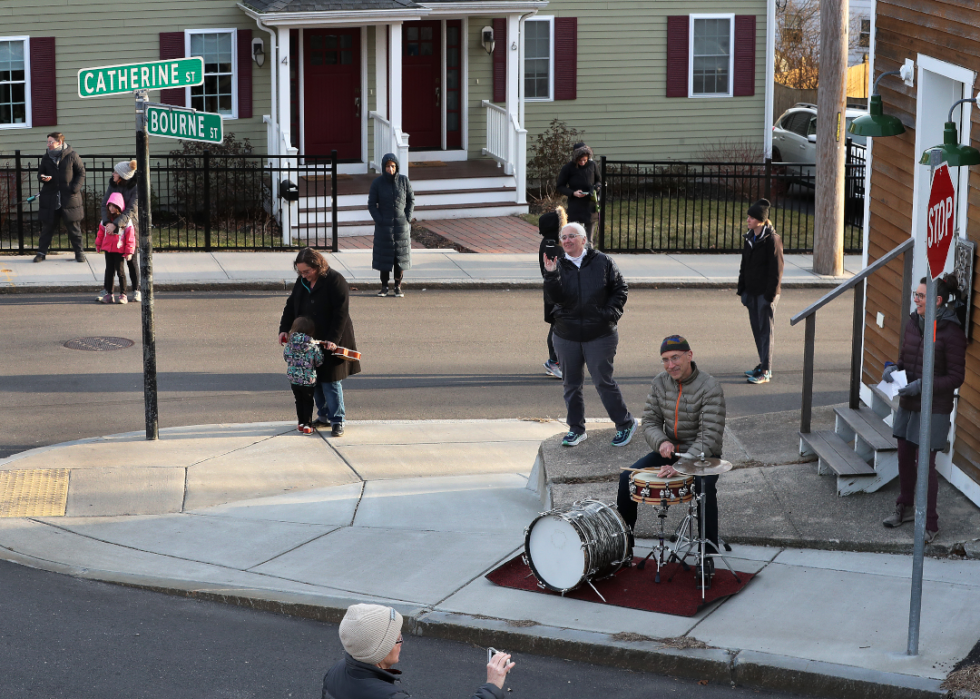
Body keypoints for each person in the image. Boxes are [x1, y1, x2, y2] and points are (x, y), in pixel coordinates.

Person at [616, 335, 726, 588]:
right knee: (626, 479)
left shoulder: (710, 386)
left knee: (704, 490)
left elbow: (709, 435)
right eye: (665, 360)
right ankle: (624, 546)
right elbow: (650, 422)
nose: (670, 365)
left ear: (689, 355)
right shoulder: (659, 382)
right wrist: (661, 443)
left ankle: (706, 556)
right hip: (669, 451)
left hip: (702, 456)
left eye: (675, 357)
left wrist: (679, 465)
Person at [881, 275, 966, 543]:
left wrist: (923, 386)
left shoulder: (951, 332)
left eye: (920, 296)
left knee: (925, 465)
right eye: (916, 295)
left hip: (934, 407)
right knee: (905, 458)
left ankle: (930, 523)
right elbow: (906, 358)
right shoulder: (913, 322)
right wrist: (893, 369)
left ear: (937, 301)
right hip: (909, 402)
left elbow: (955, 378)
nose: (915, 299)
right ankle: (904, 508)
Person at [542, 222, 637, 448]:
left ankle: (625, 424)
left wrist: (609, 314)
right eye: (563, 237)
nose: (566, 241)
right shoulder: (557, 264)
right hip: (566, 335)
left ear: (584, 240)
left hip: (600, 334)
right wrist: (551, 275)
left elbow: (620, 289)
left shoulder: (602, 262)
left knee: (603, 382)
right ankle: (576, 429)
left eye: (571, 236)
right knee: (571, 384)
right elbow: (553, 298)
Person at [323, 603, 514, 699]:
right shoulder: (390, 697)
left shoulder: (334, 673)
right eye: (397, 638)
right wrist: (492, 686)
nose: (402, 642)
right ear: (378, 649)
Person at [278, 248, 360, 437]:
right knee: (313, 380)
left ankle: (337, 420)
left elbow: (341, 314)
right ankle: (322, 415)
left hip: (331, 337)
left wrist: (332, 340)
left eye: (307, 271)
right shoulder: (302, 282)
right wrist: (284, 328)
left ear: (317, 266)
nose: (303, 275)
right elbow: (291, 306)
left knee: (330, 381)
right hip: (310, 341)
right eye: (300, 272)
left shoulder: (335, 281)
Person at [736, 199, 784, 385]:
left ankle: (766, 370)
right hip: (752, 293)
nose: (748, 219)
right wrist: (742, 291)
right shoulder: (750, 237)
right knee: (757, 330)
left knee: (766, 332)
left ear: (760, 220)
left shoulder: (772, 239)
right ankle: (762, 363)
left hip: (765, 295)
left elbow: (777, 271)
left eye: (751, 217)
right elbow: (744, 266)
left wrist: (770, 296)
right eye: (748, 216)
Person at [35, 132, 87, 263]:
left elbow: (81, 173)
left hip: (69, 198)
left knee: (74, 227)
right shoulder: (46, 157)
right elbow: (40, 173)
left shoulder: (72, 155)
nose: (48, 144)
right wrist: (42, 178)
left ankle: (79, 253)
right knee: (47, 227)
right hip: (50, 197)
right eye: (47, 142)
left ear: (59, 142)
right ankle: (41, 253)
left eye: (50, 142)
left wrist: (74, 189)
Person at [369, 153, 414, 298]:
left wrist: (407, 217)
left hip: (401, 226)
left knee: (398, 258)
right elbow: (371, 204)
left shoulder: (404, 181)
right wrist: (380, 220)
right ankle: (384, 287)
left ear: (397, 167)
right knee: (385, 257)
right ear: (384, 167)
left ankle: (397, 286)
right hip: (384, 226)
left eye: (393, 166)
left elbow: (410, 200)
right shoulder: (377, 183)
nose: (390, 169)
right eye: (388, 166)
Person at [101, 159, 141, 301]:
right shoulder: (113, 185)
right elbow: (104, 204)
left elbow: (132, 209)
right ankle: (108, 290)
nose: (113, 173)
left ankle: (136, 289)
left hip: (130, 226)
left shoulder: (135, 187)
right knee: (111, 263)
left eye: (116, 172)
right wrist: (107, 223)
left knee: (131, 260)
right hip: (111, 227)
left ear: (123, 175)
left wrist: (117, 224)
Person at [537, 206, 567, 379]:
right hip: (555, 291)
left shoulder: (550, 242)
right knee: (558, 326)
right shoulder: (552, 246)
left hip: (554, 289)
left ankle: (555, 360)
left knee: (558, 325)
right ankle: (554, 361)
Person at [283, 316, 324, 435]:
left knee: (298, 400)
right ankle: (307, 424)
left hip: (293, 378)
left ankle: (300, 423)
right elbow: (319, 361)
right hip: (308, 379)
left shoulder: (289, 344)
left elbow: (286, 357)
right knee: (308, 401)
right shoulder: (312, 345)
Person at [94, 192, 136, 304]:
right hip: (108, 249)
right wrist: (98, 245)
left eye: (114, 206)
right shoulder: (106, 220)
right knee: (109, 271)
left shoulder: (125, 221)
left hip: (119, 250)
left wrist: (129, 251)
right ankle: (109, 293)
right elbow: (101, 233)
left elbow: (130, 237)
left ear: (119, 207)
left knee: (120, 272)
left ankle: (123, 294)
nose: (111, 208)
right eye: (110, 206)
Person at [556, 142, 601, 244]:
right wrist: (573, 193)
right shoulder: (568, 168)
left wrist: (596, 188)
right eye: (580, 160)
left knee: (589, 240)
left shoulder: (592, 165)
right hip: (575, 205)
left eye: (585, 160)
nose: (582, 162)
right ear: (575, 158)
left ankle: (589, 255)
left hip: (590, 204)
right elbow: (560, 186)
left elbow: (599, 180)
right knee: (575, 237)